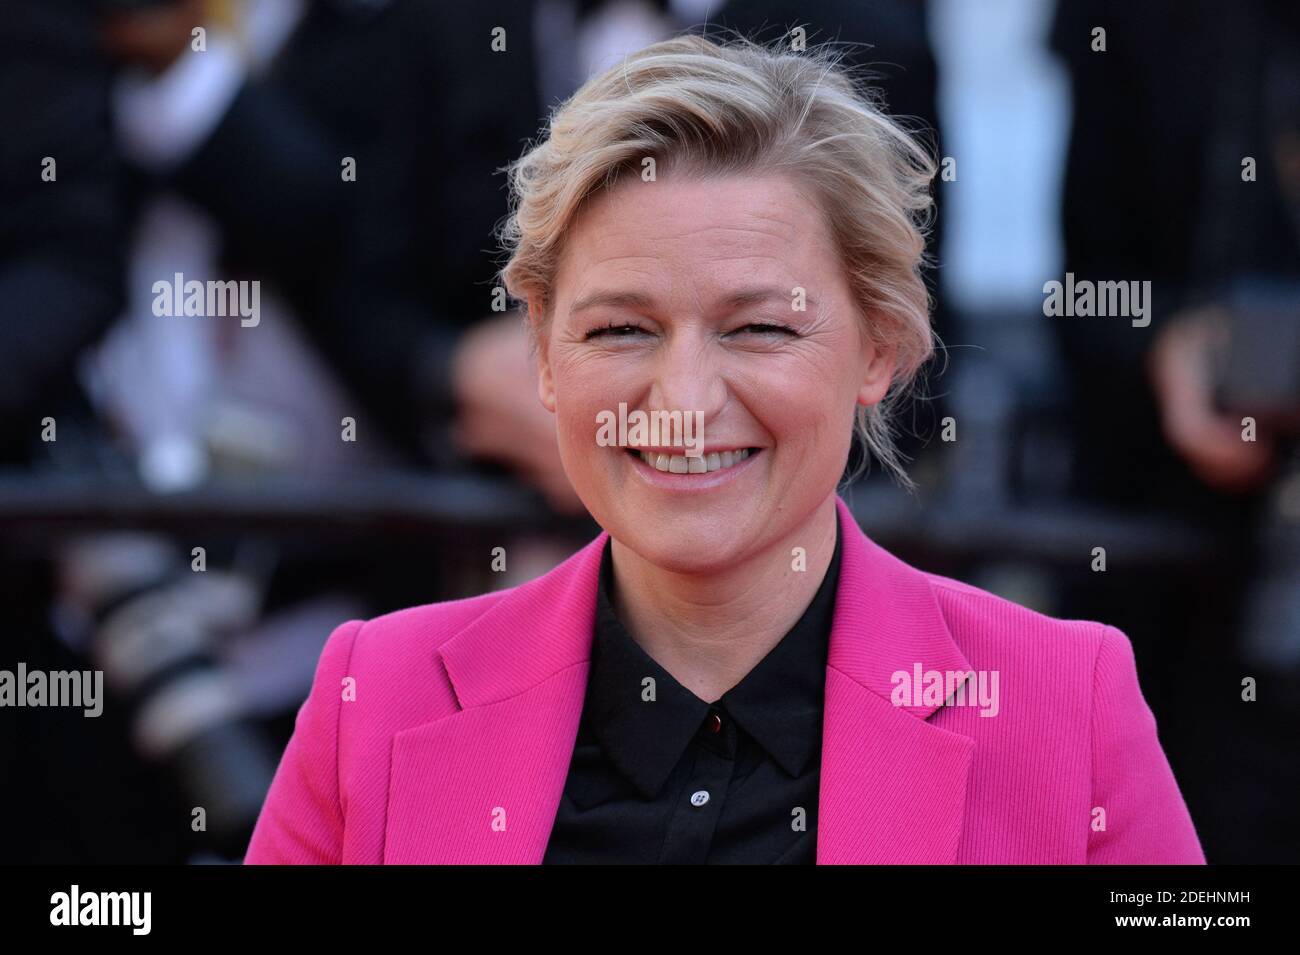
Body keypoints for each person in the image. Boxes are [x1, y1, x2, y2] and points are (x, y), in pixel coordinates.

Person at [244, 33, 1204, 864]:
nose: (685, 399)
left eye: (760, 330)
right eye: (621, 329)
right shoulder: (375, 694)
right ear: (542, 354)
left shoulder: (1063, 707)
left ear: (879, 347)